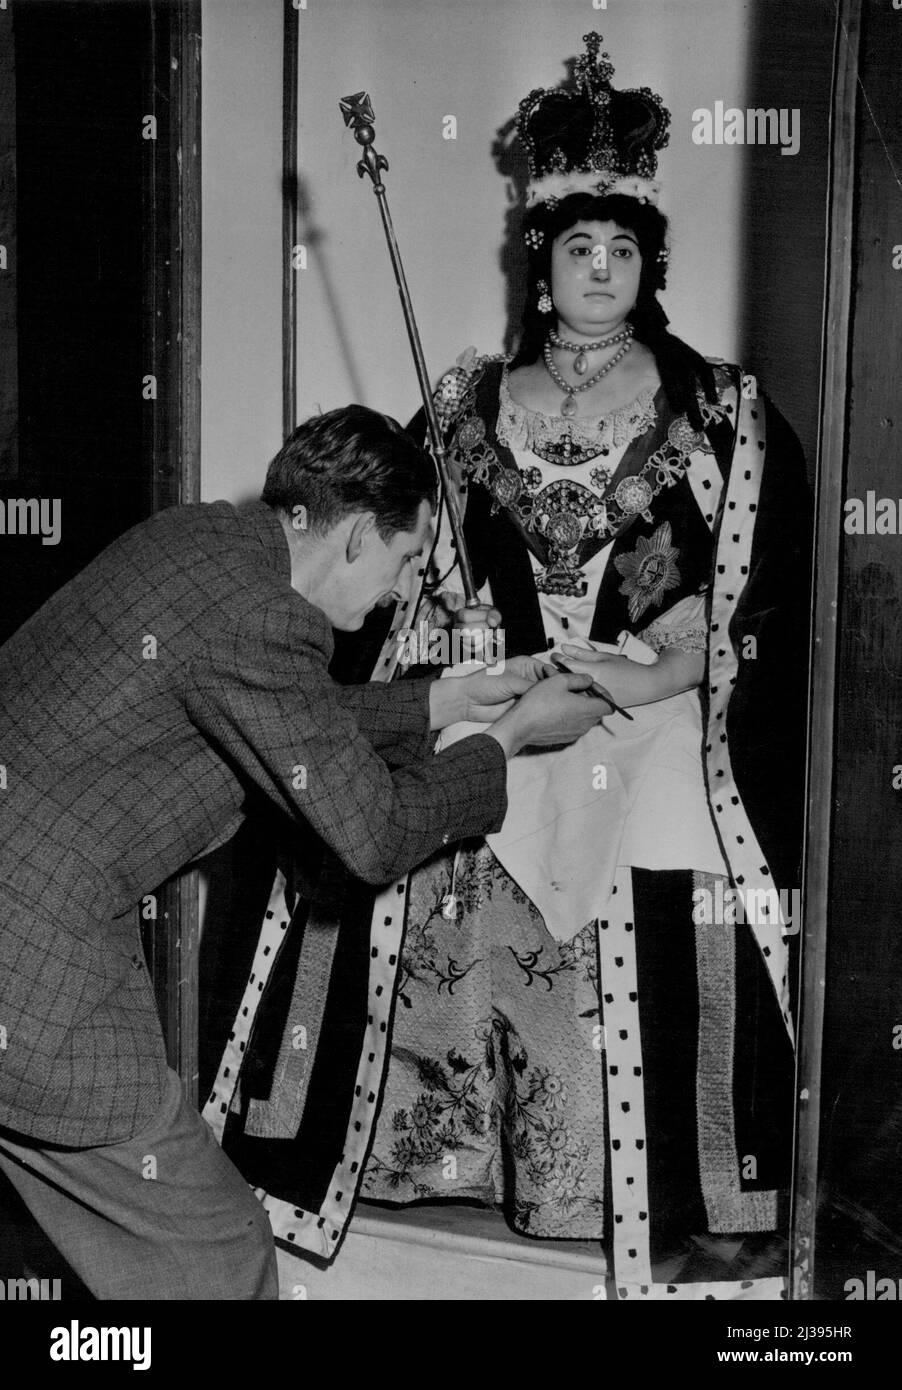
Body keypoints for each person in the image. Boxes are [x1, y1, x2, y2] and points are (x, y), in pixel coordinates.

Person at [359, 35, 812, 1298]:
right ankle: (452, 1154)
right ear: (541, 264)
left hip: (655, 700)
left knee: (664, 817)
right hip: (509, 688)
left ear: (645, 265)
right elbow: (402, 552)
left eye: (620, 251)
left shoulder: (716, 409)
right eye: (576, 249)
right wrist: (441, 600)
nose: (598, 270)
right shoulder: (461, 405)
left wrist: (656, 667)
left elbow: (757, 578)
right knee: (449, 793)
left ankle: (667, 1186)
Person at [0, 404, 603, 1300]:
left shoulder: (205, 543)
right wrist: (510, 736)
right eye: (406, 561)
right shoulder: (263, 619)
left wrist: (457, 699)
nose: (402, 591)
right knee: (220, 1250)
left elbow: (276, 727)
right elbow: (377, 836)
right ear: (359, 535)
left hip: (28, 924)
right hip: (34, 974)